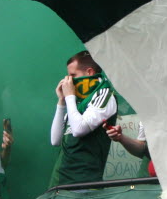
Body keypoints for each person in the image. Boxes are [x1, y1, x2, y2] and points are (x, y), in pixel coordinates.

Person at [49, 50, 117, 186]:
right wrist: (62, 101)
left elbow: (79, 130)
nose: (68, 81)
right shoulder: (76, 102)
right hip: (59, 181)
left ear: (89, 72)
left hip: (84, 182)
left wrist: (69, 97)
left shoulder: (104, 94)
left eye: (73, 75)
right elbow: (55, 140)